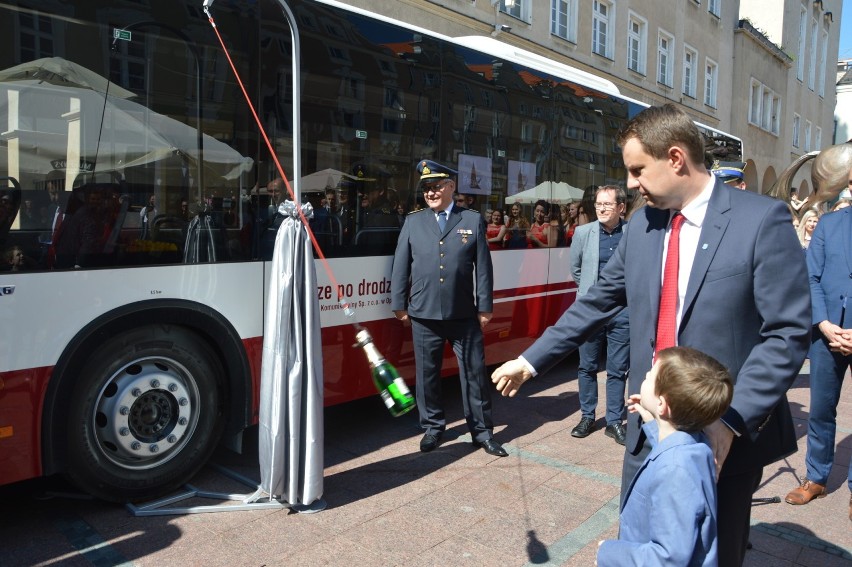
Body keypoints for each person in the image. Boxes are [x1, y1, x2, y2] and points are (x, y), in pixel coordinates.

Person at [490, 103, 811, 566]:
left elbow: (786, 333)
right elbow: (598, 302)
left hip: (724, 432)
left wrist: (730, 422)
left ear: (675, 158)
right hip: (649, 428)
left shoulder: (760, 221)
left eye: (638, 170)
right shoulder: (642, 224)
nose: (631, 184)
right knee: (641, 546)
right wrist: (531, 360)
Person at [391, 159, 505, 457]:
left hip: (463, 312)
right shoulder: (414, 221)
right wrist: (399, 304)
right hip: (423, 312)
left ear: (451, 187)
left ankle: (482, 432)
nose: (430, 192)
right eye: (426, 188)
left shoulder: (470, 220)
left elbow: (483, 267)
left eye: (436, 186)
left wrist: (485, 306)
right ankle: (432, 428)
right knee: (427, 374)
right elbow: (401, 265)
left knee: (474, 373)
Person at [597, 346, 733, 566]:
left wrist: (608, 552)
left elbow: (669, 557)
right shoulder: (697, 445)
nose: (645, 376)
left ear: (662, 404)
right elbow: (672, 442)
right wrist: (652, 420)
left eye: (650, 377)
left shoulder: (675, 470)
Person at [784, 199, 852, 521]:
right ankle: (816, 477)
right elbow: (810, 277)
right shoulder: (829, 224)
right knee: (821, 409)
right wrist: (824, 323)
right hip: (826, 334)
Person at [569, 185, 629, 445]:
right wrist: (593, 295)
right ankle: (587, 416)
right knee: (587, 366)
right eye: (598, 204)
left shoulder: (632, 233)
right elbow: (576, 270)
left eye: (607, 204)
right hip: (591, 312)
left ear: (621, 207)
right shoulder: (583, 233)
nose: (602, 208)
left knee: (617, 369)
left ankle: (614, 421)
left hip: (623, 311)